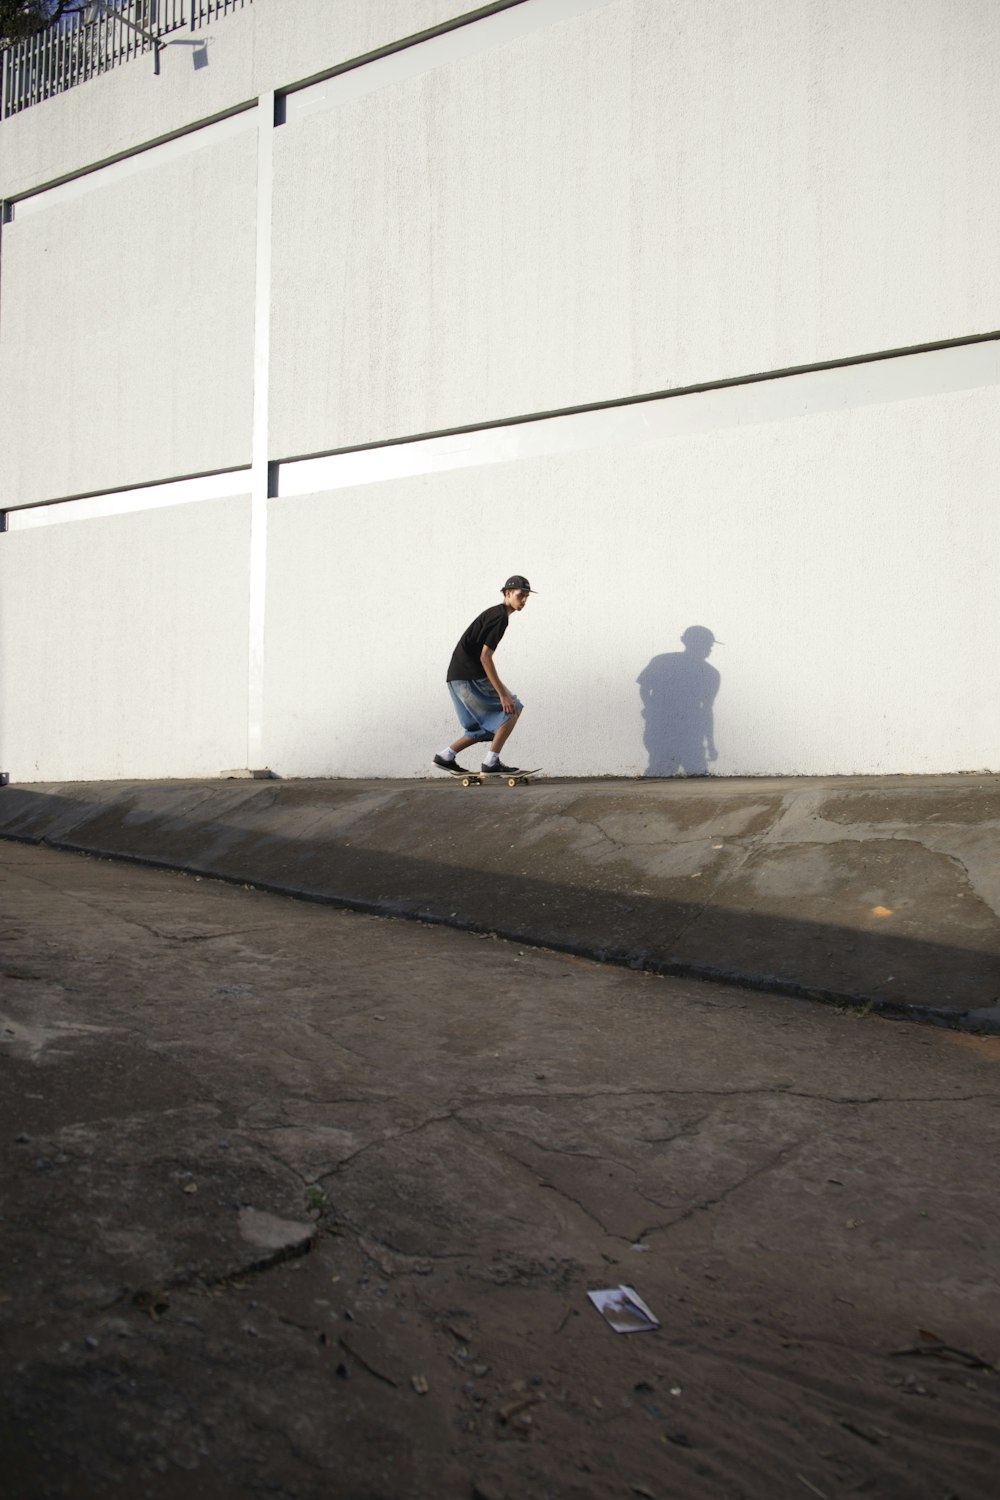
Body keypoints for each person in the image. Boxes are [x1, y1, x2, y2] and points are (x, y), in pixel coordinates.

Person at [433, 575, 536, 777]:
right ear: (507, 594)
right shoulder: (500, 617)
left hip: (456, 677)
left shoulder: (493, 614)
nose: (523, 601)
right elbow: (485, 657)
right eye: (520, 595)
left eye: (526, 597)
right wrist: (502, 695)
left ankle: (445, 756)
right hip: (469, 676)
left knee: (481, 729)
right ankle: (491, 762)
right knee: (513, 708)